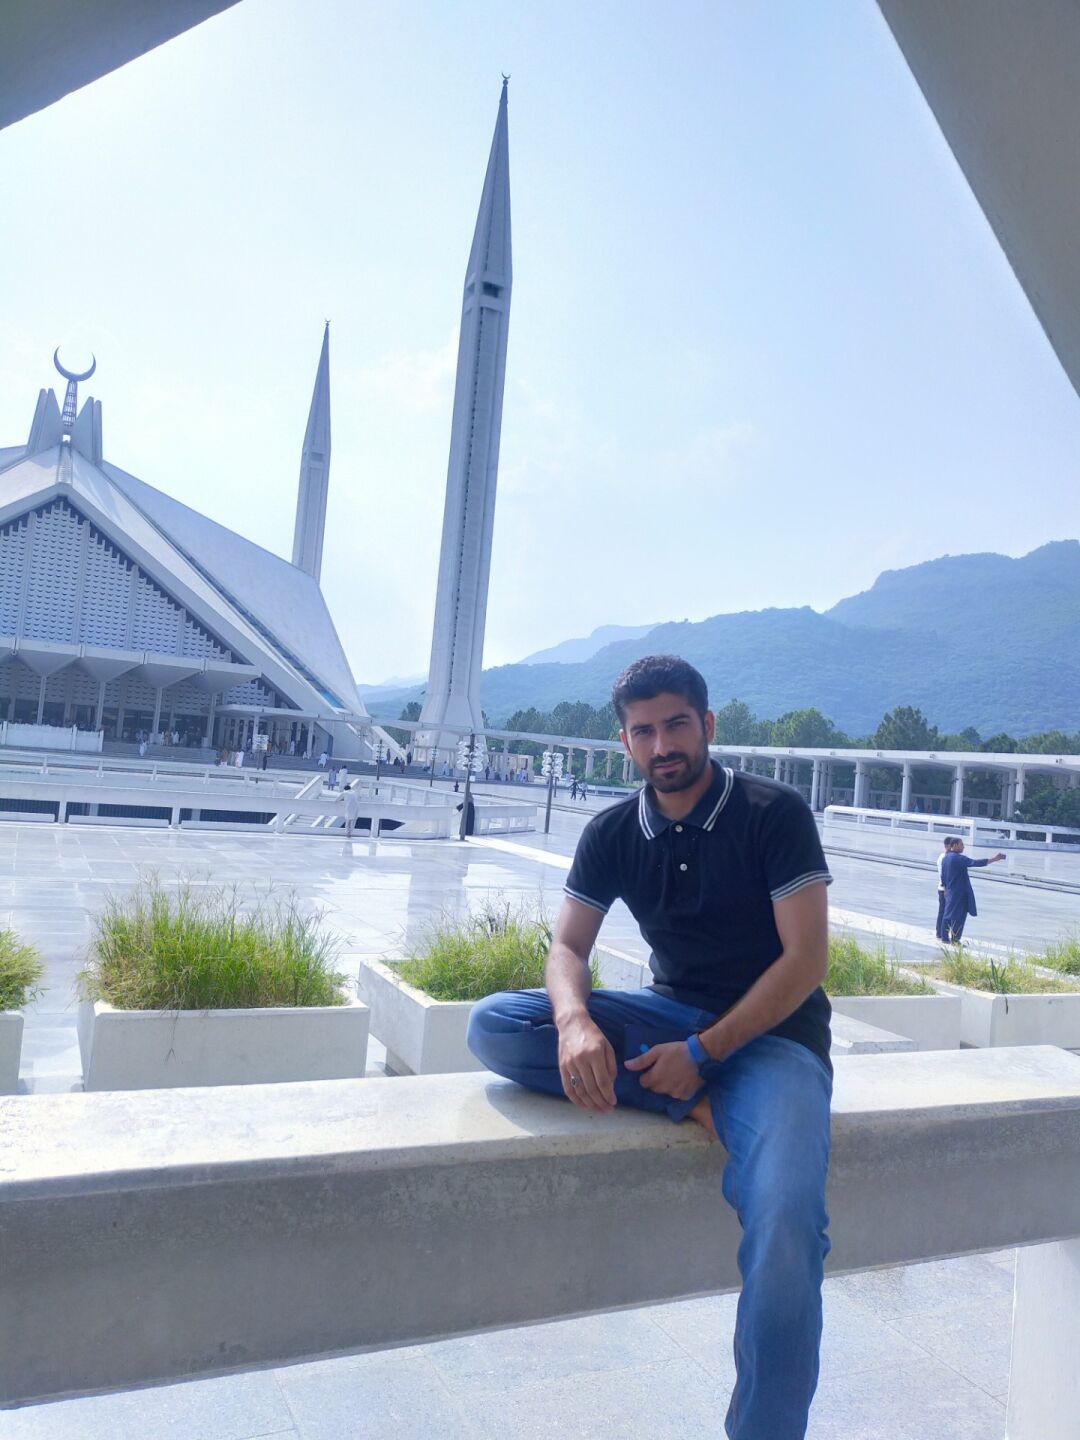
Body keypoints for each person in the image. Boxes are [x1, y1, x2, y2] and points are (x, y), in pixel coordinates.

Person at [467, 656, 832, 1440]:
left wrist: (703, 1053)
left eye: (675, 724)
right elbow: (567, 949)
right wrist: (575, 1021)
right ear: (625, 742)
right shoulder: (612, 831)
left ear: (707, 724)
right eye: (643, 731)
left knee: (787, 1224)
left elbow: (805, 962)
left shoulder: (772, 812)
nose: (662, 745)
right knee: (497, 1023)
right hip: (670, 1019)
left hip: (775, 1040)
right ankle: (693, 1104)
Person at [941, 838, 1007, 943]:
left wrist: (945, 888)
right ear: (955, 845)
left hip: (950, 891)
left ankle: (944, 937)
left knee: (948, 914)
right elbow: (975, 863)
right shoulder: (958, 858)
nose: (963, 846)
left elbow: (943, 876)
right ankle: (955, 940)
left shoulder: (946, 858)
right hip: (960, 893)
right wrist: (993, 859)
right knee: (959, 917)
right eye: (961, 844)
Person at [935, 836, 959, 940]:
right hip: (944, 889)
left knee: (944, 912)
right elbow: (942, 874)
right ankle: (941, 933)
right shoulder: (944, 857)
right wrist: (945, 888)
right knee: (944, 912)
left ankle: (941, 933)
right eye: (952, 845)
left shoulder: (948, 857)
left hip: (946, 889)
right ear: (948, 846)